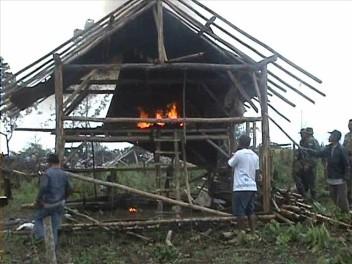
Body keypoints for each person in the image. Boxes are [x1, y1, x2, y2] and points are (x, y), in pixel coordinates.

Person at [33, 154, 73, 247]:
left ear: (49, 163)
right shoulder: (64, 174)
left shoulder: (47, 173)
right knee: (55, 226)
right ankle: (52, 246)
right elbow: (70, 188)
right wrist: (64, 198)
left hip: (48, 204)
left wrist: (38, 200)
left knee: (38, 219)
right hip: (60, 204)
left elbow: (43, 187)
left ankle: (42, 236)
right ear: (58, 162)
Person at [309, 130, 350, 212]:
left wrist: (346, 176)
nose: (329, 137)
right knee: (333, 197)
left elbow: (346, 164)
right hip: (331, 178)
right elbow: (319, 153)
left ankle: (346, 214)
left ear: (336, 137)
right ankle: (339, 213)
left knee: (342, 199)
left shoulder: (341, 149)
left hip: (340, 178)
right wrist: (308, 150)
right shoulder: (328, 148)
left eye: (331, 135)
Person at [228, 134, 260, 234]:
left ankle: (241, 234)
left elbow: (229, 164)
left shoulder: (239, 154)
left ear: (240, 143)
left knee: (240, 212)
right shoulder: (255, 156)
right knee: (251, 211)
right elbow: (257, 172)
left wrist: (234, 154)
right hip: (252, 187)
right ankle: (253, 232)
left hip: (240, 187)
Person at [343, 119, 352, 204]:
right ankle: (349, 201)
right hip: (347, 161)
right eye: (348, 124)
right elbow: (343, 148)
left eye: (351, 125)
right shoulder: (346, 136)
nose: (349, 126)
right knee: (348, 180)